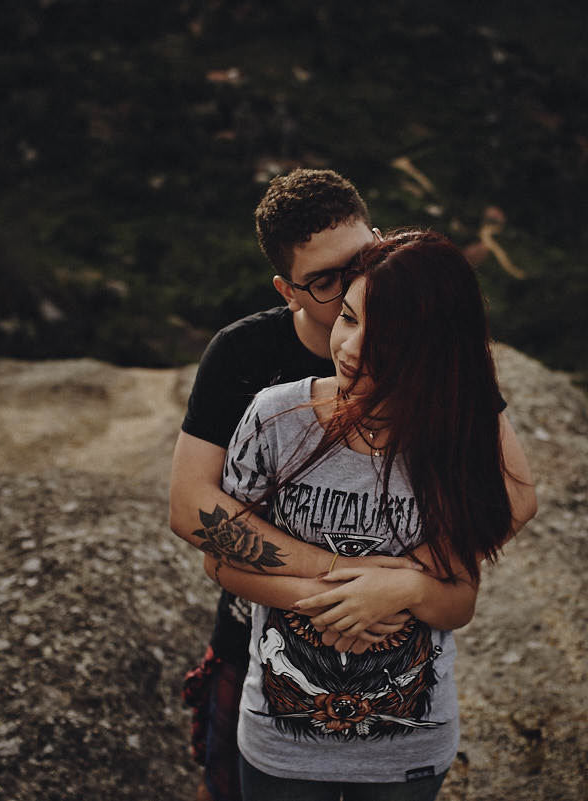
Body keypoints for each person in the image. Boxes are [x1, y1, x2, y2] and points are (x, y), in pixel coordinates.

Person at [206, 230, 537, 800]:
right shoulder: (273, 418)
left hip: (407, 748)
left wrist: (400, 589)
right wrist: (340, 596)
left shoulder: (455, 440)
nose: (353, 348)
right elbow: (220, 566)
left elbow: (458, 603)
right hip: (280, 743)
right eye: (351, 319)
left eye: (389, 337)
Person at [172, 169, 425, 801]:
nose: (352, 285)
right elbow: (191, 506)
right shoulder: (242, 356)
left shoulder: (425, 340)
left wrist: (413, 581)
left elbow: (512, 494)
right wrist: (343, 580)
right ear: (288, 290)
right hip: (255, 638)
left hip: (396, 646)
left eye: (364, 259)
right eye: (325, 280)